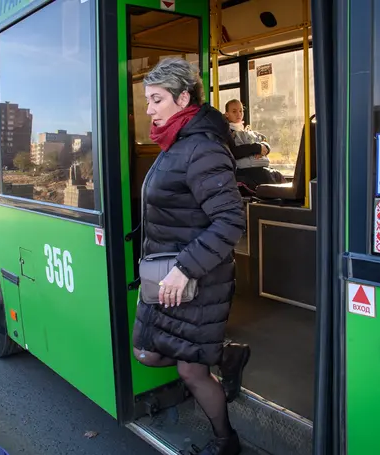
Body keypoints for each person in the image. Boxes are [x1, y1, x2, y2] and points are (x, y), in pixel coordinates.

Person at [132, 58, 251, 455]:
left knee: (190, 368)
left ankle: (225, 443)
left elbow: (231, 220)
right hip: (168, 276)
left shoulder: (200, 146)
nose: (149, 109)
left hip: (194, 279)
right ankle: (225, 355)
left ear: (183, 98)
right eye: (147, 100)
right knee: (147, 353)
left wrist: (185, 268)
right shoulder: (177, 141)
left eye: (156, 99)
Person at [223, 99, 286, 194]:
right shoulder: (226, 133)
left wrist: (265, 147)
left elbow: (262, 141)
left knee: (275, 175)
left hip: (258, 168)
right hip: (244, 171)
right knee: (265, 176)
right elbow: (234, 152)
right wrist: (256, 148)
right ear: (227, 114)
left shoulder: (246, 131)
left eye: (241, 111)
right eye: (234, 111)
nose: (238, 114)